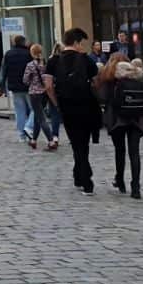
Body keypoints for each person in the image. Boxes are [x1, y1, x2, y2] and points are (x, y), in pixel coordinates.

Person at [46, 28, 101, 195]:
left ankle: (82, 177)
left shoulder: (53, 61)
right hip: (86, 105)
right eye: (81, 44)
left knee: (75, 141)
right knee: (82, 142)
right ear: (77, 43)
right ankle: (84, 178)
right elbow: (96, 82)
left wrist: (57, 104)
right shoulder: (86, 60)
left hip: (66, 106)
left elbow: (48, 86)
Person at [102, 58, 143, 199]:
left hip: (119, 121)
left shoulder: (116, 83)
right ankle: (136, 187)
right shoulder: (140, 81)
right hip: (136, 120)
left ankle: (120, 180)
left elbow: (107, 99)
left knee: (120, 150)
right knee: (134, 153)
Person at [23, 44, 57, 150]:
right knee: (38, 116)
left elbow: (25, 80)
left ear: (32, 53)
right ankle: (34, 140)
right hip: (44, 93)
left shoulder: (30, 65)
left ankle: (51, 140)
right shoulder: (45, 63)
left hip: (34, 93)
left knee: (41, 118)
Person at [0, 35, 34, 141]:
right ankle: (28, 127)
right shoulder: (28, 54)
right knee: (35, 109)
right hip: (28, 86)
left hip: (14, 87)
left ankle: (21, 135)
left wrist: (2, 87)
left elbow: (3, 72)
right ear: (24, 43)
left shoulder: (8, 54)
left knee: (19, 111)